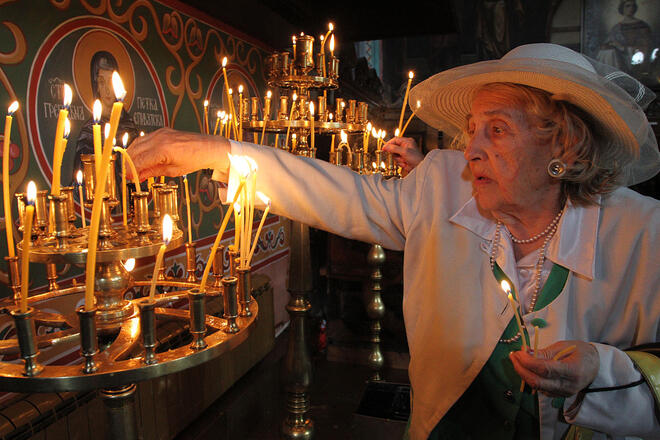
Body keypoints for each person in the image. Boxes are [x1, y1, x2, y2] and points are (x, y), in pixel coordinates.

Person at [129, 43, 660, 439]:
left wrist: (602, 371)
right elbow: (345, 195)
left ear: (562, 144)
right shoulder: (441, 184)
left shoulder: (642, 233)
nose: (470, 149)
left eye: (496, 130)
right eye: (470, 129)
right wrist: (222, 153)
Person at [72, 51, 139, 188]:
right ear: (95, 85)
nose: (108, 90)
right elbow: (82, 180)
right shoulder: (89, 131)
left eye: (110, 82)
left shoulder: (129, 125)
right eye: (102, 82)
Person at [596, 0, 653, 78]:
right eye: (628, 6)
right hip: (618, 59)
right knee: (608, 53)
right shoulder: (616, 28)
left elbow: (645, 48)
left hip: (633, 59)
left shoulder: (642, 26)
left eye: (633, 6)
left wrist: (623, 48)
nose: (631, 8)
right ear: (622, 8)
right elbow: (608, 42)